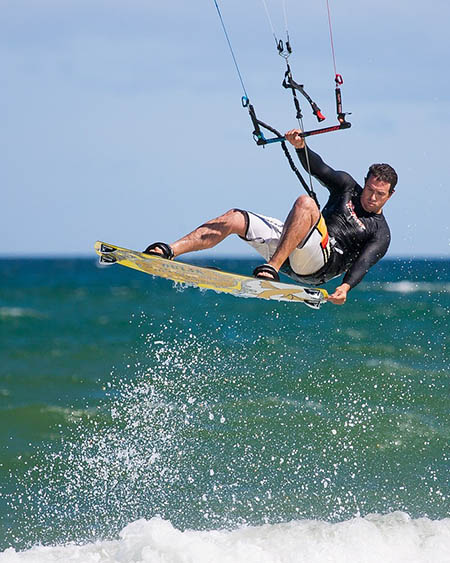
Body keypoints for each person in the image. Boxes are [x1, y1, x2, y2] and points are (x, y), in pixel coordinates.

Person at [144, 129, 398, 305]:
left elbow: (363, 264)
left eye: (380, 194)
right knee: (235, 218)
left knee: (306, 203)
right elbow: (320, 169)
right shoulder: (347, 187)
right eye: (370, 190)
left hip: (321, 264)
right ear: (365, 182)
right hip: (295, 248)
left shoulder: (380, 232)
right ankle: (169, 251)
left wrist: (345, 288)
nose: (372, 197)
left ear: (390, 195)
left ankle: (271, 269)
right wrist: (301, 147)